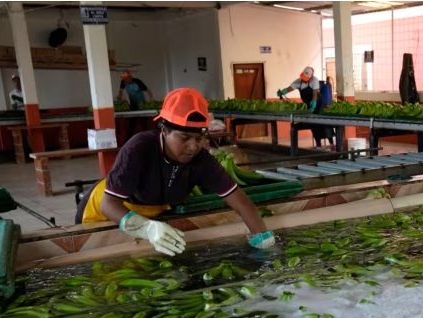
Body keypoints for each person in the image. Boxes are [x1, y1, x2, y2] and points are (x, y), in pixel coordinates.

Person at [75, 88, 275, 254]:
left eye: (199, 138)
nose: (193, 146)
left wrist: (263, 242)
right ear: (164, 130)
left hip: (151, 212)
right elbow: (109, 205)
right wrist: (147, 228)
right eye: (184, 138)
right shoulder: (139, 148)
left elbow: (242, 203)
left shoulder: (201, 161)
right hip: (106, 211)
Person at [277, 67, 333, 149]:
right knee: (314, 124)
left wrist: (313, 104)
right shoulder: (298, 81)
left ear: (310, 77)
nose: (303, 80)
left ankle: (332, 143)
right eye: (303, 78)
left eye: (306, 78)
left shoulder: (314, 80)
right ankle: (318, 145)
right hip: (308, 104)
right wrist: (283, 92)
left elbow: (314, 94)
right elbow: (290, 88)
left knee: (325, 123)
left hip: (319, 104)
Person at [117, 71, 154, 140]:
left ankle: (147, 138)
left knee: (143, 122)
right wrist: (119, 96)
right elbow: (121, 90)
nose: (124, 80)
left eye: (126, 78)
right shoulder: (123, 82)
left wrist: (151, 99)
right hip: (133, 104)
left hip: (141, 104)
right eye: (123, 78)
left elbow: (148, 90)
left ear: (130, 77)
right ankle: (129, 138)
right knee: (132, 122)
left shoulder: (138, 82)